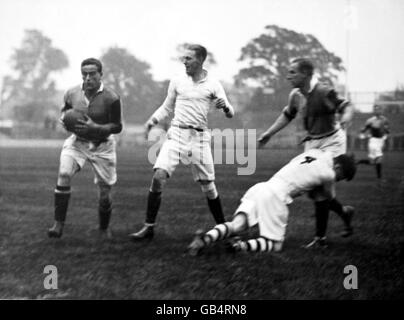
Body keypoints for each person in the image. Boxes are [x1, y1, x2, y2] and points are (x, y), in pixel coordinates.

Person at [129, 44, 234, 241]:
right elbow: (166, 107)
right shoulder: (177, 81)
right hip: (176, 134)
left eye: (189, 58)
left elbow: (230, 113)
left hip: (200, 138)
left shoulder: (214, 84)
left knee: (208, 185)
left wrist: (225, 107)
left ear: (201, 60)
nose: (184, 62)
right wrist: (151, 122)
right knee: (158, 175)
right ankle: (149, 227)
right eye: (183, 58)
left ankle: (223, 229)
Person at [257, 58, 355, 248]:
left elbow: (347, 107)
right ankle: (343, 212)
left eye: (293, 72)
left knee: (320, 187)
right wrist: (269, 133)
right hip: (312, 143)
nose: (288, 76)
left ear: (306, 74)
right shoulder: (296, 95)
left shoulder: (323, 91)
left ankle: (320, 239)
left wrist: (345, 119)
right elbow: (288, 114)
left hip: (332, 142)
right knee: (313, 189)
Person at [188, 149, 357, 256]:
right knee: (275, 245)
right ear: (338, 169)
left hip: (261, 187)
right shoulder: (328, 174)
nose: (337, 180)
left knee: (236, 226)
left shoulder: (313, 152)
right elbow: (328, 197)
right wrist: (343, 209)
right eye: (340, 177)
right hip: (276, 195)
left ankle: (205, 239)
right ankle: (241, 246)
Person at [47, 58, 123, 239]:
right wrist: (65, 120)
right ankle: (58, 225)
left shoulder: (112, 98)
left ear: (100, 75)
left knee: (105, 193)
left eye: (92, 74)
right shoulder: (71, 93)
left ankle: (104, 229)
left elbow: (117, 126)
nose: (88, 78)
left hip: (103, 146)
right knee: (64, 174)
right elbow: (65, 111)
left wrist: (96, 128)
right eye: (84, 74)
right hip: (78, 142)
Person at [357, 104, 389, 180]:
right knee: (379, 158)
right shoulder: (370, 121)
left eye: (378, 109)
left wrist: (385, 137)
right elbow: (363, 130)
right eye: (375, 109)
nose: (377, 111)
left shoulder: (385, 120)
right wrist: (362, 135)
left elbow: (387, 131)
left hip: (381, 141)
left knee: (373, 162)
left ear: (381, 110)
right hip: (373, 141)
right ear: (374, 111)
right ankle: (380, 178)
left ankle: (359, 161)